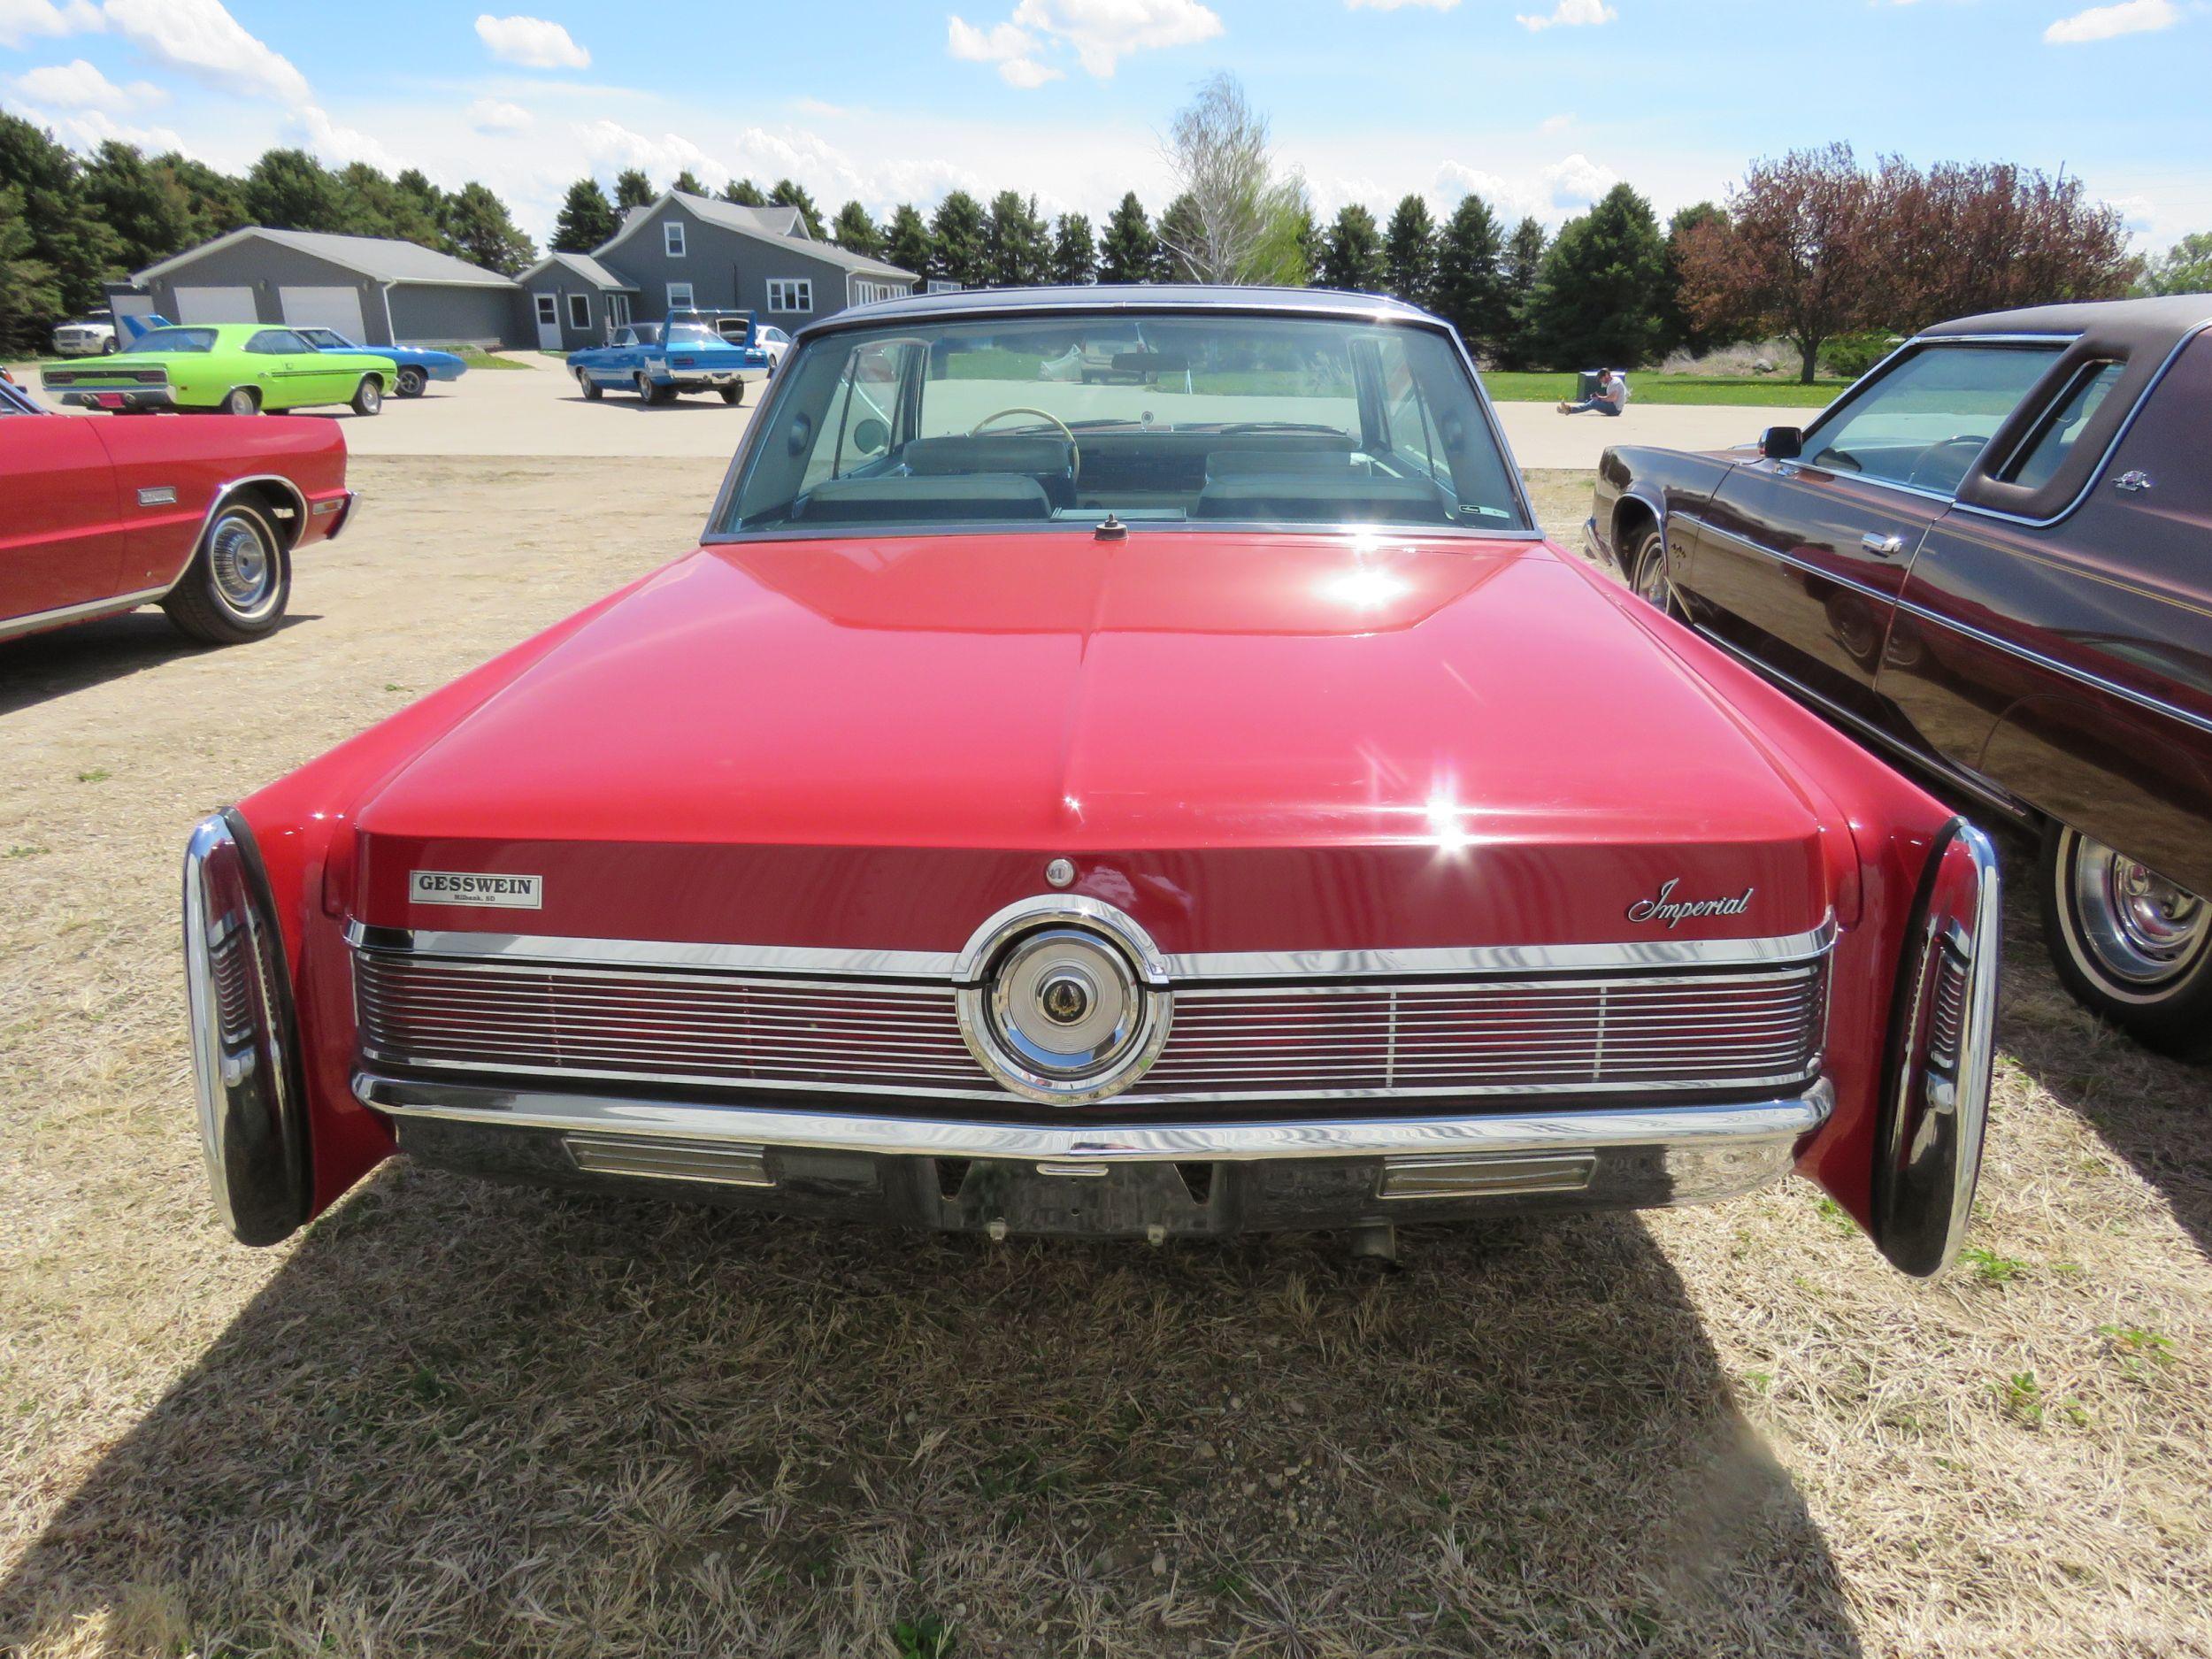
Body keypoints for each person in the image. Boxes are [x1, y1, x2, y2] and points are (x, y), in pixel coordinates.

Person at [1558, 368, 1629, 416]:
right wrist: (1598, 397)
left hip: (1615, 410)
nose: (1601, 380)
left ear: (1607, 375)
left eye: (1601, 378)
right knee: (1593, 400)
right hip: (1613, 406)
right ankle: (1564, 410)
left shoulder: (1615, 382)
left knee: (1594, 403)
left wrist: (1599, 398)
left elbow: (1613, 398)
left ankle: (1570, 410)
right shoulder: (1613, 381)